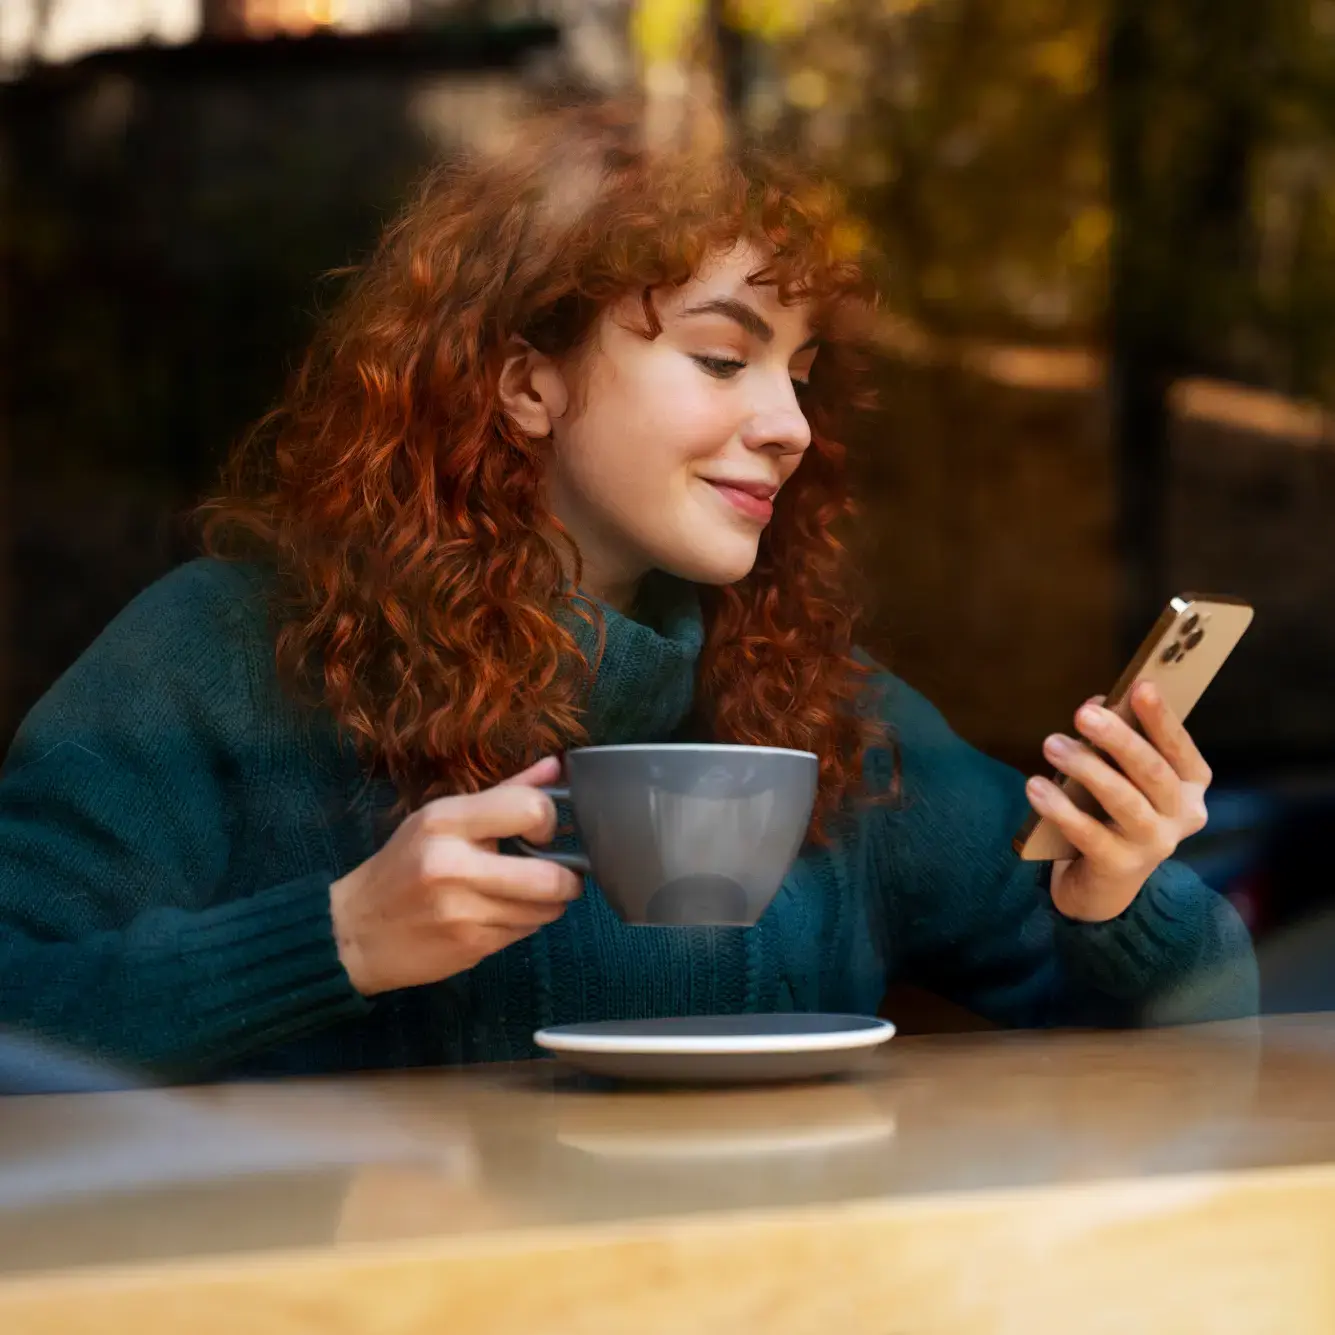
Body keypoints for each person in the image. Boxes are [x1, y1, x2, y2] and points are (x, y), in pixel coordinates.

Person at [0, 99, 1256, 1087]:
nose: (791, 425)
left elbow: (1204, 1040)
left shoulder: (816, 706)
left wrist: (1118, 903)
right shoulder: (223, 653)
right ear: (522, 382)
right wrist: (338, 939)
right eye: (723, 358)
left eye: (803, 374)